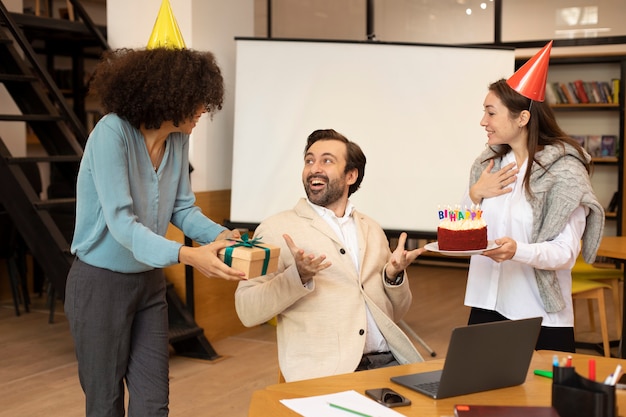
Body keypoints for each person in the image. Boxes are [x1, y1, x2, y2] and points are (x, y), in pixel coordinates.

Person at [64, 47, 246, 417]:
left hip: (148, 283)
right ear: (168, 97)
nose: (203, 111)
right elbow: (122, 226)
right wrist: (185, 254)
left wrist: (218, 235)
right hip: (99, 284)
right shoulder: (110, 134)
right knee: (104, 403)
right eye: (197, 101)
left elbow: (182, 207)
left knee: (153, 402)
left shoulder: (178, 139)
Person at [235, 129, 425, 382]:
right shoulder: (273, 230)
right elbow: (247, 310)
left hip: (389, 362)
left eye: (327, 160)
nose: (314, 168)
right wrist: (298, 276)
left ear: (351, 175)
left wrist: (393, 276)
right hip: (326, 372)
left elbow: (397, 312)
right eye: (309, 160)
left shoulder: (372, 229)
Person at [462, 42, 604, 352]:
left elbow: (565, 254)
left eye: (490, 112)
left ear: (522, 118)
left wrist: (517, 251)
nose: (483, 122)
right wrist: (474, 194)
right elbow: (461, 227)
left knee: (541, 401)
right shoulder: (488, 164)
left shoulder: (564, 173)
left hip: (539, 317)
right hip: (486, 305)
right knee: (477, 399)